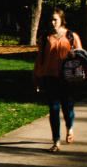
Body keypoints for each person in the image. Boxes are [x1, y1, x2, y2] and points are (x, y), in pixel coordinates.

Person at [32, 9, 81, 153]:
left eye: (55, 19)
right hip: (50, 77)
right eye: (51, 20)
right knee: (53, 109)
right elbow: (40, 59)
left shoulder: (72, 36)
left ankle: (70, 128)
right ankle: (56, 141)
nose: (53, 23)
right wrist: (36, 77)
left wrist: (74, 55)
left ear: (61, 20)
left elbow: (81, 56)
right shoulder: (45, 38)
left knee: (68, 108)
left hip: (68, 77)